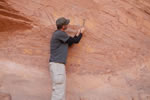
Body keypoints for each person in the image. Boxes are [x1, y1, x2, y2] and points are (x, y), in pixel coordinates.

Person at [49, 17, 85, 100]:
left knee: (58, 91)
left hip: (56, 66)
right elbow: (75, 41)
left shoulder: (59, 35)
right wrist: (81, 33)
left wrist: (77, 33)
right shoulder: (60, 34)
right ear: (63, 26)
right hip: (58, 66)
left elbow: (71, 42)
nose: (67, 25)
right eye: (66, 24)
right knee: (59, 92)